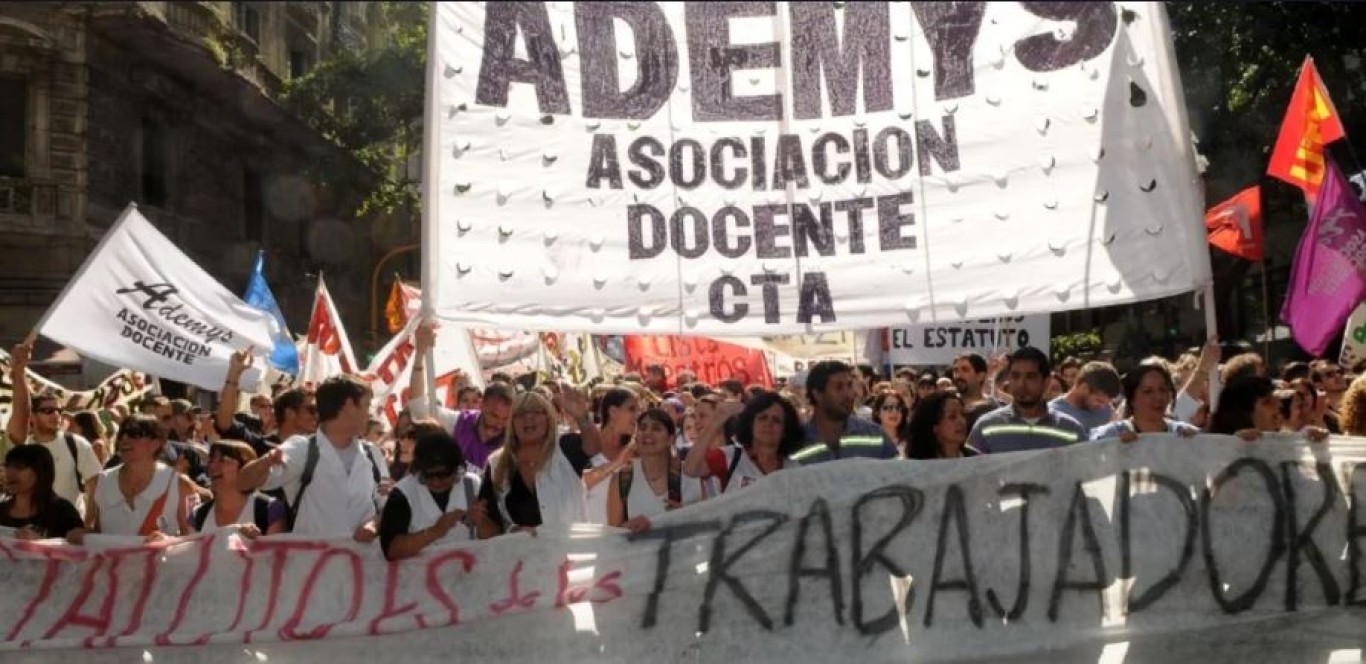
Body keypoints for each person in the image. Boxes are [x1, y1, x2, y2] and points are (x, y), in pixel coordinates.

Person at [236, 375, 389, 540]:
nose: (369, 414)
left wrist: (375, 524)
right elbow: (243, 482)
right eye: (367, 406)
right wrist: (266, 462)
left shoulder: (373, 454)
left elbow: (386, 505)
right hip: (311, 563)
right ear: (349, 405)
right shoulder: (301, 449)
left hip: (362, 563)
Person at [476, 389, 599, 537]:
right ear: (511, 423)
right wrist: (508, 529)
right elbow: (490, 527)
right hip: (523, 556)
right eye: (520, 414)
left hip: (572, 552)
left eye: (536, 412)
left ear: (548, 418)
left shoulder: (564, 447)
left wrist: (582, 415)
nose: (528, 419)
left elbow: (594, 447)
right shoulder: (496, 463)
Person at [6, 344, 102, 515]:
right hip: (29, 528)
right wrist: (18, 373)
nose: (56, 415)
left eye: (59, 411)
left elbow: (94, 486)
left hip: (68, 529)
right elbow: (21, 410)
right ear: (33, 417)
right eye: (48, 411)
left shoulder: (76, 444)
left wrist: (88, 525)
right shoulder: (22, 446)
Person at [71, 416, 199, 542]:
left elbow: (194, 540)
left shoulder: (179, 485)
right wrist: (82, 535)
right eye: (122, 434)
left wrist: (169, 541)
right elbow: (98, 532)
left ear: (155, 444)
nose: (125, 439)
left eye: (135, 434)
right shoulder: (103, 481)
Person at [407, 323, 514, 472]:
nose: (498, 425)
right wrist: (420, 354)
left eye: (505, 419)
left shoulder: (513, 441)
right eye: (494, 415)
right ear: (481, 405)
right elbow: (418, 408)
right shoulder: (459, 423)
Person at [379, 430, 485, 561]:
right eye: (428, 476)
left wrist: (481, 522)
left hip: (467, 574)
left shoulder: (472, 485)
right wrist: (435, 532)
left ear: (456, 468)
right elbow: (391, 550)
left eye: (442, 475)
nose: (436, 482)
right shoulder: (403, 493)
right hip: (420, 577)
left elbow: (493, 536)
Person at [967, 347, 1089, 454]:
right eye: (1015, 376)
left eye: (1030, 377)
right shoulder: (985, 427)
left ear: (1046, 382)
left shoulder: (1071, 431)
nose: (1021, 384)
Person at [682, 392, 803, 493]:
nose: (768, 424)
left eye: (776, 420)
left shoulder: (795, 470)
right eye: (762, 418)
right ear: (750, 424)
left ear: (785, 431)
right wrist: (716, 421)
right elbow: (691, 469)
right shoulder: (729, 457)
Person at [606, 408, 701, 533]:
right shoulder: (622, 478)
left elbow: (708, 526)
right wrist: (628, 527)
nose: (647, 433)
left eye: (656, 428)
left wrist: (684, 517)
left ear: (670, 439)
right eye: (642, 428)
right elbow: (612, 534)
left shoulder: (691, 474)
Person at [794, 361, 897, 464]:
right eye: (839, 387)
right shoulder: (796, 444)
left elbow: (898, 475)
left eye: (849, 385)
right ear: (817, 394)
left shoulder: (875, 436)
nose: (849, 394)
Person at [192, 440, 286, 537]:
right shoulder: (197, 515)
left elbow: (275, 550)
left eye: (223, 460)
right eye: (211, 460)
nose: (212, 466)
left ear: (245, 467)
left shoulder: (268, 510)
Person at [1090, 363, 1200, 442]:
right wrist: (1113, 449)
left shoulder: (1184, 433)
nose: (1158, 397)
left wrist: (1195, 445)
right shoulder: (1108, 435)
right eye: (1148, 392)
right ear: (1132, 399)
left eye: (1162, 390)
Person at [581, 387, 641, 524]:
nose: (638, 415)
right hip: (587, 535)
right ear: (613, 412)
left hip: (622, 537)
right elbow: (577, 484)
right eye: (632, 409)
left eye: (639, 410)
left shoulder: (637, 450)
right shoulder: (585, 444)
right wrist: (618, 462)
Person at [1209, 375, 1329, 442]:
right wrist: (1234, 444)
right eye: (1267, 402)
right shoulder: (1216, 453)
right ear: (1241, 414)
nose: (1279, 405)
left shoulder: (1289, 443)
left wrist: (1311, 446)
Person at [1, 445, 84, 540]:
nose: (9, 472)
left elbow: (80, 549)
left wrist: (41, 542)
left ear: (40, 471)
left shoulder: (62, 512)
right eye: (7, 466)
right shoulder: (2, 509)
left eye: (19, 467)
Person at [1049, 361, 1122, 432]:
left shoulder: (1106, 409)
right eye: (1099, 400)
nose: (1102, 407)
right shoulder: (1052, 414)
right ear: (1084, 388)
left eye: (1107, 402)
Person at [905, 392, 974, 460]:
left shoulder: (975, 459)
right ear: (934, 427)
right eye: (952, 417)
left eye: (963, 414)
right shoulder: (916, 465)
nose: (962, 421)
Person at [952, 353, 1001, 433]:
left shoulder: (994, 408)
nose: (958, 375)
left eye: (965, 370)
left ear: (980, 376)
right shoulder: (946, 405)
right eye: (955, 370)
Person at [871, 391, 912, 458]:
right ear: (877, 412)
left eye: (898, 407)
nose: (894, 411)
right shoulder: (870, 442)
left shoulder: (910, 443)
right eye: (888, 407)